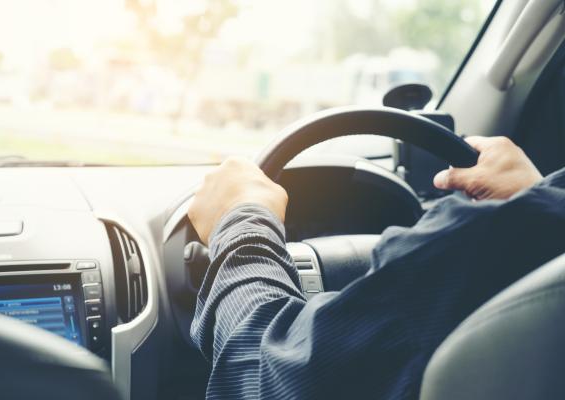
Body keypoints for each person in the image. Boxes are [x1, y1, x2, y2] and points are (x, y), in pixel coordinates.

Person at [188, 136, 565, 399]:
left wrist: (241, 221)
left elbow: (266, 378)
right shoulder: (537, 234)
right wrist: (542, 200)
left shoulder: (478, 242)